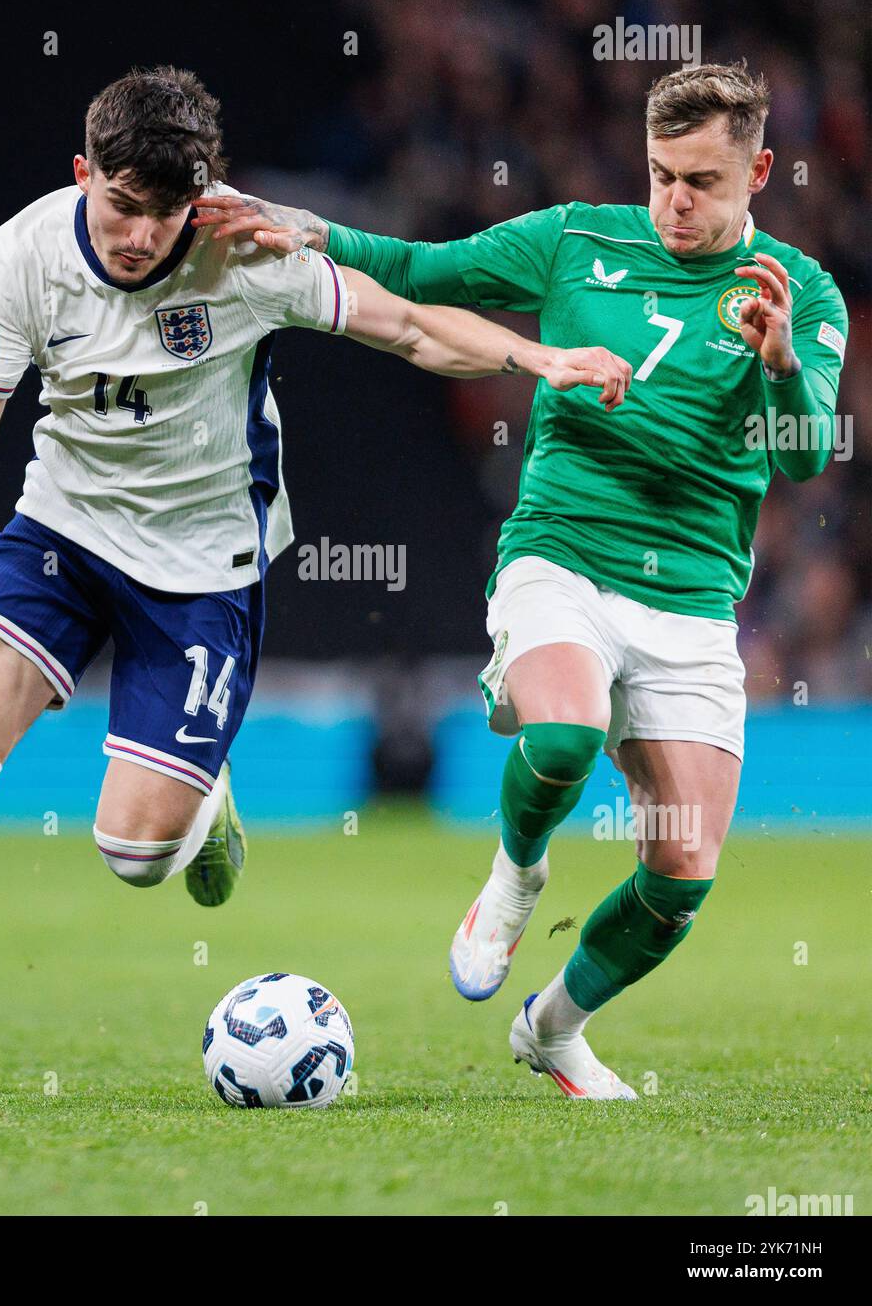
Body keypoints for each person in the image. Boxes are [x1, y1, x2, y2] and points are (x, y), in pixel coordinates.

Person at [0, 66, 630, 1097]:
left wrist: (538, 361)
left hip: (199, 570)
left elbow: (403, 324)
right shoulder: (27, 253)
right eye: (121, 206)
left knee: (133, 857)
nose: (139, 235)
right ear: (82, 172)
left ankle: (201, 797)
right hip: (61, 531)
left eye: (164, 212)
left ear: (201, 196)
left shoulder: (244, 254)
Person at [194, 62, 848, 1099]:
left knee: (680, 877)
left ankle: (550, 1026)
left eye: (701, 182)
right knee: (562, 736)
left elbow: (809, 453)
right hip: (563, 553)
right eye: (660, 174)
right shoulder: (576, 239)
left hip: (690, 597)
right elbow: (420, 268)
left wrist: (776, 362)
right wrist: (308, 229)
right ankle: (513, 877)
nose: (674, 201)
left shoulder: (797, 294)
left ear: (757, 171)